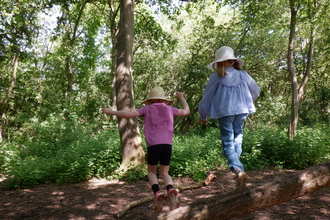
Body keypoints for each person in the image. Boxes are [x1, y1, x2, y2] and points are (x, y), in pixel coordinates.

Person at [102, 87, 190, 213]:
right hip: (167, 145)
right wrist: (181, 97)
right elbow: (187, 111)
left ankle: (157, 192)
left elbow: (127, 114)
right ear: (163, 99)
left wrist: (110, 111)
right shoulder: (170, 109)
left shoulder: (147, 109)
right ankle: (170, 189)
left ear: (150, 100)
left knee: (152, 172)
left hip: (153, 146)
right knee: (165, 173)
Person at [198, 46, 260, 189]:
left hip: (225, 112)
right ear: (232, 61)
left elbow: (206, 97)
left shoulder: (216, 77)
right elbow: (256, 90)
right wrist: (247, 101)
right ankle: (238, 167)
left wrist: (203, 114)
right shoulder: (243, 74)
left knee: (227, 142)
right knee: (238, 135)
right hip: (242, 111)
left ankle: (238, 169)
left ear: (219, 62)